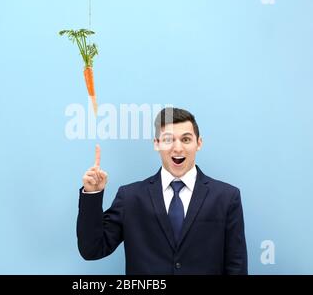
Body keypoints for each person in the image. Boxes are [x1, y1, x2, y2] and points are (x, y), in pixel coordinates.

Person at [77, 107, 247, 275]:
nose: (178, 148)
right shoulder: (130, 197)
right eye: (168, 140)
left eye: (186, 139)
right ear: (156, 144)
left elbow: (236, 267)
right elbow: (92, 249)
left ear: (199, 143)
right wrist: (92, 194)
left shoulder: (226, 197)